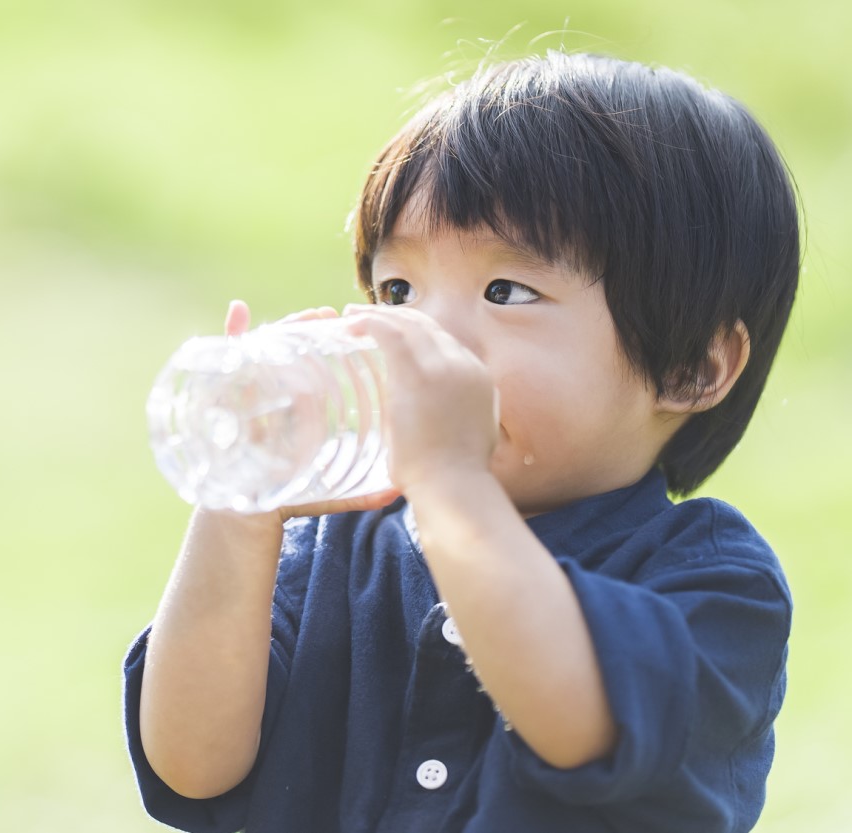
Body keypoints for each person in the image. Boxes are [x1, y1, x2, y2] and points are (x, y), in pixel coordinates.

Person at [124, 51, 799, 833]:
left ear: (690, 367)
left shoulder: (713, 582)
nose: (425, 334)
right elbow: (193, 763)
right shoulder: (332, 548)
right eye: (397, 290)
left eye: (506, 290)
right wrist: (239, 506)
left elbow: (577, 716)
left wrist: (451, 482)